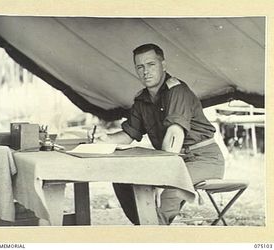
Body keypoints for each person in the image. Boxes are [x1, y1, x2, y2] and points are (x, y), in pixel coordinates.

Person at [91, 43, 225, 225]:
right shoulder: (141, 100)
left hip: (203, 159)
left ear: (164, 65)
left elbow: (174, 136)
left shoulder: (177, 91)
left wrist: (162, 172)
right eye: (140, 67)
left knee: (171, 190)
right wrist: (105, 140)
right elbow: (129, 134)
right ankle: (146, 226)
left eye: (151, 64)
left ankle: (153, 232)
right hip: (174, 159)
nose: (145, 71)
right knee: (123, 179)